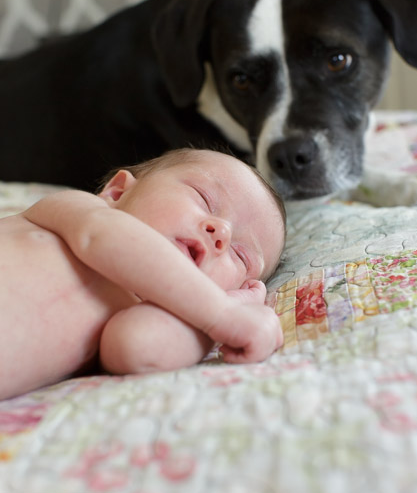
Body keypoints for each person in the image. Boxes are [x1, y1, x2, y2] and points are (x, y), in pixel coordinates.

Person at [0, 148, 286, 400]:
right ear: (118, 191)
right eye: (204, 199)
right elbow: (101, 236)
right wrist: (222, 314)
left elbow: (138, 347)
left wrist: (229, 312)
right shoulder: (77, 212)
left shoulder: (135, 313)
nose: (221, 232)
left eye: (240, 255)